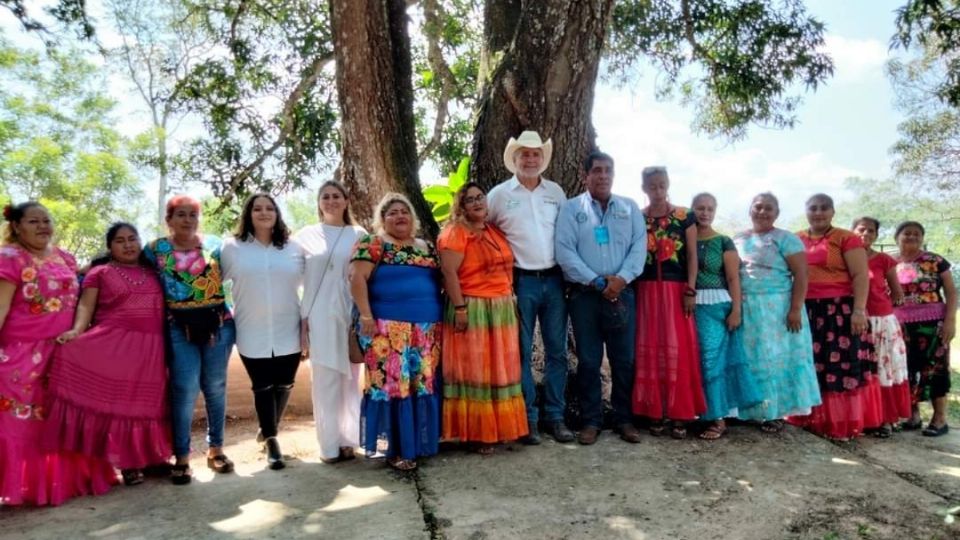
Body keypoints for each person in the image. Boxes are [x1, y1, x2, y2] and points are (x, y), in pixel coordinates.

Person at [0, 202, 115, 505]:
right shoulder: (8, 258)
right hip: (20, 360)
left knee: (59, 423)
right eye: (33, 221)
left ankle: (62, 483)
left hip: (63, 354)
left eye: (46, 220)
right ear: (17, 226)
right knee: (21, 425)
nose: (42, 227)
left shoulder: (63, 257)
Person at [43, 223, 172, 487]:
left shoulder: (154, 272)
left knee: (150, 405)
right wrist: (76, 332)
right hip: (115, 347)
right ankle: (127, 463)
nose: (128, 245)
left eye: (132, 239)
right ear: (110, 247)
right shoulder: (99, 273)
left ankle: (153, 458)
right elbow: (86, 306)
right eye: (120, 241)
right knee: (122, 406)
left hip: (152, 350)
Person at [486, 130, 572, 444]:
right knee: (520, 353)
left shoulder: (556, 192)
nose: (531, 159)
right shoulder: (498, 195)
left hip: (554, 279)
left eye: (536, 154)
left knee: (557, 353)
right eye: (525, 154)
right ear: (515, 158)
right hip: (519, 282)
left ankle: (556, 417)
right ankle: (528, 419)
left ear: (542, 159)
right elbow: (487, 235)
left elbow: (566, 234)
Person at [555, 150, 646, 445]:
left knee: (624, 360)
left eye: (608, 170)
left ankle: (624, 419)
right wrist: (596, 281)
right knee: (589, 361)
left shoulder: (629, 208)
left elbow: (638, 247)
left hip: (623, 294)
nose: (603, 175)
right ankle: (591, 421)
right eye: (596, 170)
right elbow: (564, 251)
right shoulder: (571, 209)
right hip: (585, 297)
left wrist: (620, 280)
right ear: (585, 175)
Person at [145, 195, 236, 485]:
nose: (187, 220)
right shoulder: (155, 249)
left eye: (192, 215)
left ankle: (216, 449)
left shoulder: (215, 246)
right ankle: (182, 456)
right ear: (168, 220)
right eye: (180, 215)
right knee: (184, 388)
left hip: (217, 324)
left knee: (215, 386)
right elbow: (127, 263)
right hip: (178, 327)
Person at [350, 193, 442, 471]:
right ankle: (397, 449)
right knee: (393, 387)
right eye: (392, 213)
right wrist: (366, 315)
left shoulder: (426, 246)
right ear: (382, 220)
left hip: (426, 329)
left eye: (404, 211)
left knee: (420, 384)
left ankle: (419, 444)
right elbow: (357, 280)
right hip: (387, 330)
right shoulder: (373, 243)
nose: (400, 216)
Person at [438, 182, 528, 453]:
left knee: (499, 370)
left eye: (480, 197)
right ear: (461, 206)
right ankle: (476, 433)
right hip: (473, 306)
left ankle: (498, 429)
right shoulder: (455, 232)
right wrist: (461, 308)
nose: (477, 202)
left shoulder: (492, 230)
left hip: (500, 308)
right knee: (475, 371)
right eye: (469, 200)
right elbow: (449, 273)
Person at [222, 193, 303, 470]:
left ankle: (268, 426)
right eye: (258, 209)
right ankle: (272, 439)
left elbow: (314, 281)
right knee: (262, 385)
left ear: (277, 214)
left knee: (285, 383)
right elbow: (209, 282)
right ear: (248, 214)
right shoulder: (232, 248)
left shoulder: (293, 248)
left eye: (270, 208)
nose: (264, 213)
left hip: (288, 325)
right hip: (250, 328)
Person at [792, 193, 879, 441]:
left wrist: (859, 311)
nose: (818, 213)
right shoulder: (796, 238)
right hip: (805, 310)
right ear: (806, 210)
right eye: (813, 208)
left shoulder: (846, 238)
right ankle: (807, 418)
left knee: (838, 366)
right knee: (808, 363)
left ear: (832, 212)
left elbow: (861, 276)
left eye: (824, 208)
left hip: (839, 311)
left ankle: (838, 423)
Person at [734, 193, 820, 432]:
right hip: (748, 307)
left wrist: (794, 309)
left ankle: (776, 414)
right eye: (758, 207)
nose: (762, 212)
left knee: (777, 360)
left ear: (777, 213)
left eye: (768, 208)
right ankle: (752, 411)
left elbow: (801, 275)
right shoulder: (738, 239)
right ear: (750, 209)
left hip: (779, 307)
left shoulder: (786, 239)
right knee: (753, 359)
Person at [294, 181, 366, 463]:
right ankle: (328, 446)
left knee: (350, 379)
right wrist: (302, 318)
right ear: (319, 202)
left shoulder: (358, 234)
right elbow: (294, 277)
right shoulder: (304, 237)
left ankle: (349, 440)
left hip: (349, 313)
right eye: (326, 196)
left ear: (346, 201)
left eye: (337, 196)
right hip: (319, 314)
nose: (331, 201)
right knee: (324, 380)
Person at [631, 166, 705, 439]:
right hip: (646, 291)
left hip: (676, 291)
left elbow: (693, 257)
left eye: (662, 185)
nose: (658, 190)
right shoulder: (638, 218)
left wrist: (691, 289)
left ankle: (679, 413)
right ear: (644, 188)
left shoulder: (685, 216)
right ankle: (654, 411)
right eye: (652, 186)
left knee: (679, 349)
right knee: (649, 349)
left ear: (668, 184)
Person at [690, 193, 761, 440]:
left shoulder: (723, 241)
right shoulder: (683, 239)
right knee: (693, 361)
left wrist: (736, 311)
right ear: (692, 210)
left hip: (717, 306)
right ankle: (696, 413)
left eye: (710, 209)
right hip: (688, 307)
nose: (705, 213)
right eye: (700, 208)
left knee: (712, 362)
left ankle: (718, 418)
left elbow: (733, 278)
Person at [893, 221, 956, 436]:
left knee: (935, 368)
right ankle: (913, 416)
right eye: (906, 233)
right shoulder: (890, 262)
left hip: (933, 324)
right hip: (899, 324)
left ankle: (939, 420)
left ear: (922, 238)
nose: (911, 237)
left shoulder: (935, 260)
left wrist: (950, 321)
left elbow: (951, 292)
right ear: (897, 237)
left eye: (916, 234)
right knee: (906, 369)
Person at [851, 217, 911, 437]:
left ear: (876, 235)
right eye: (861, 229)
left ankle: (884, 419)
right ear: (852, 231)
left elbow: (897, 294)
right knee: (859, 371)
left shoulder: (884, 260)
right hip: (854, 322)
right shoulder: (843, 257)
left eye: (871, 231)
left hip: (880, 322)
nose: (865, 234)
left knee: (882, 370)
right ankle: (862, 417)